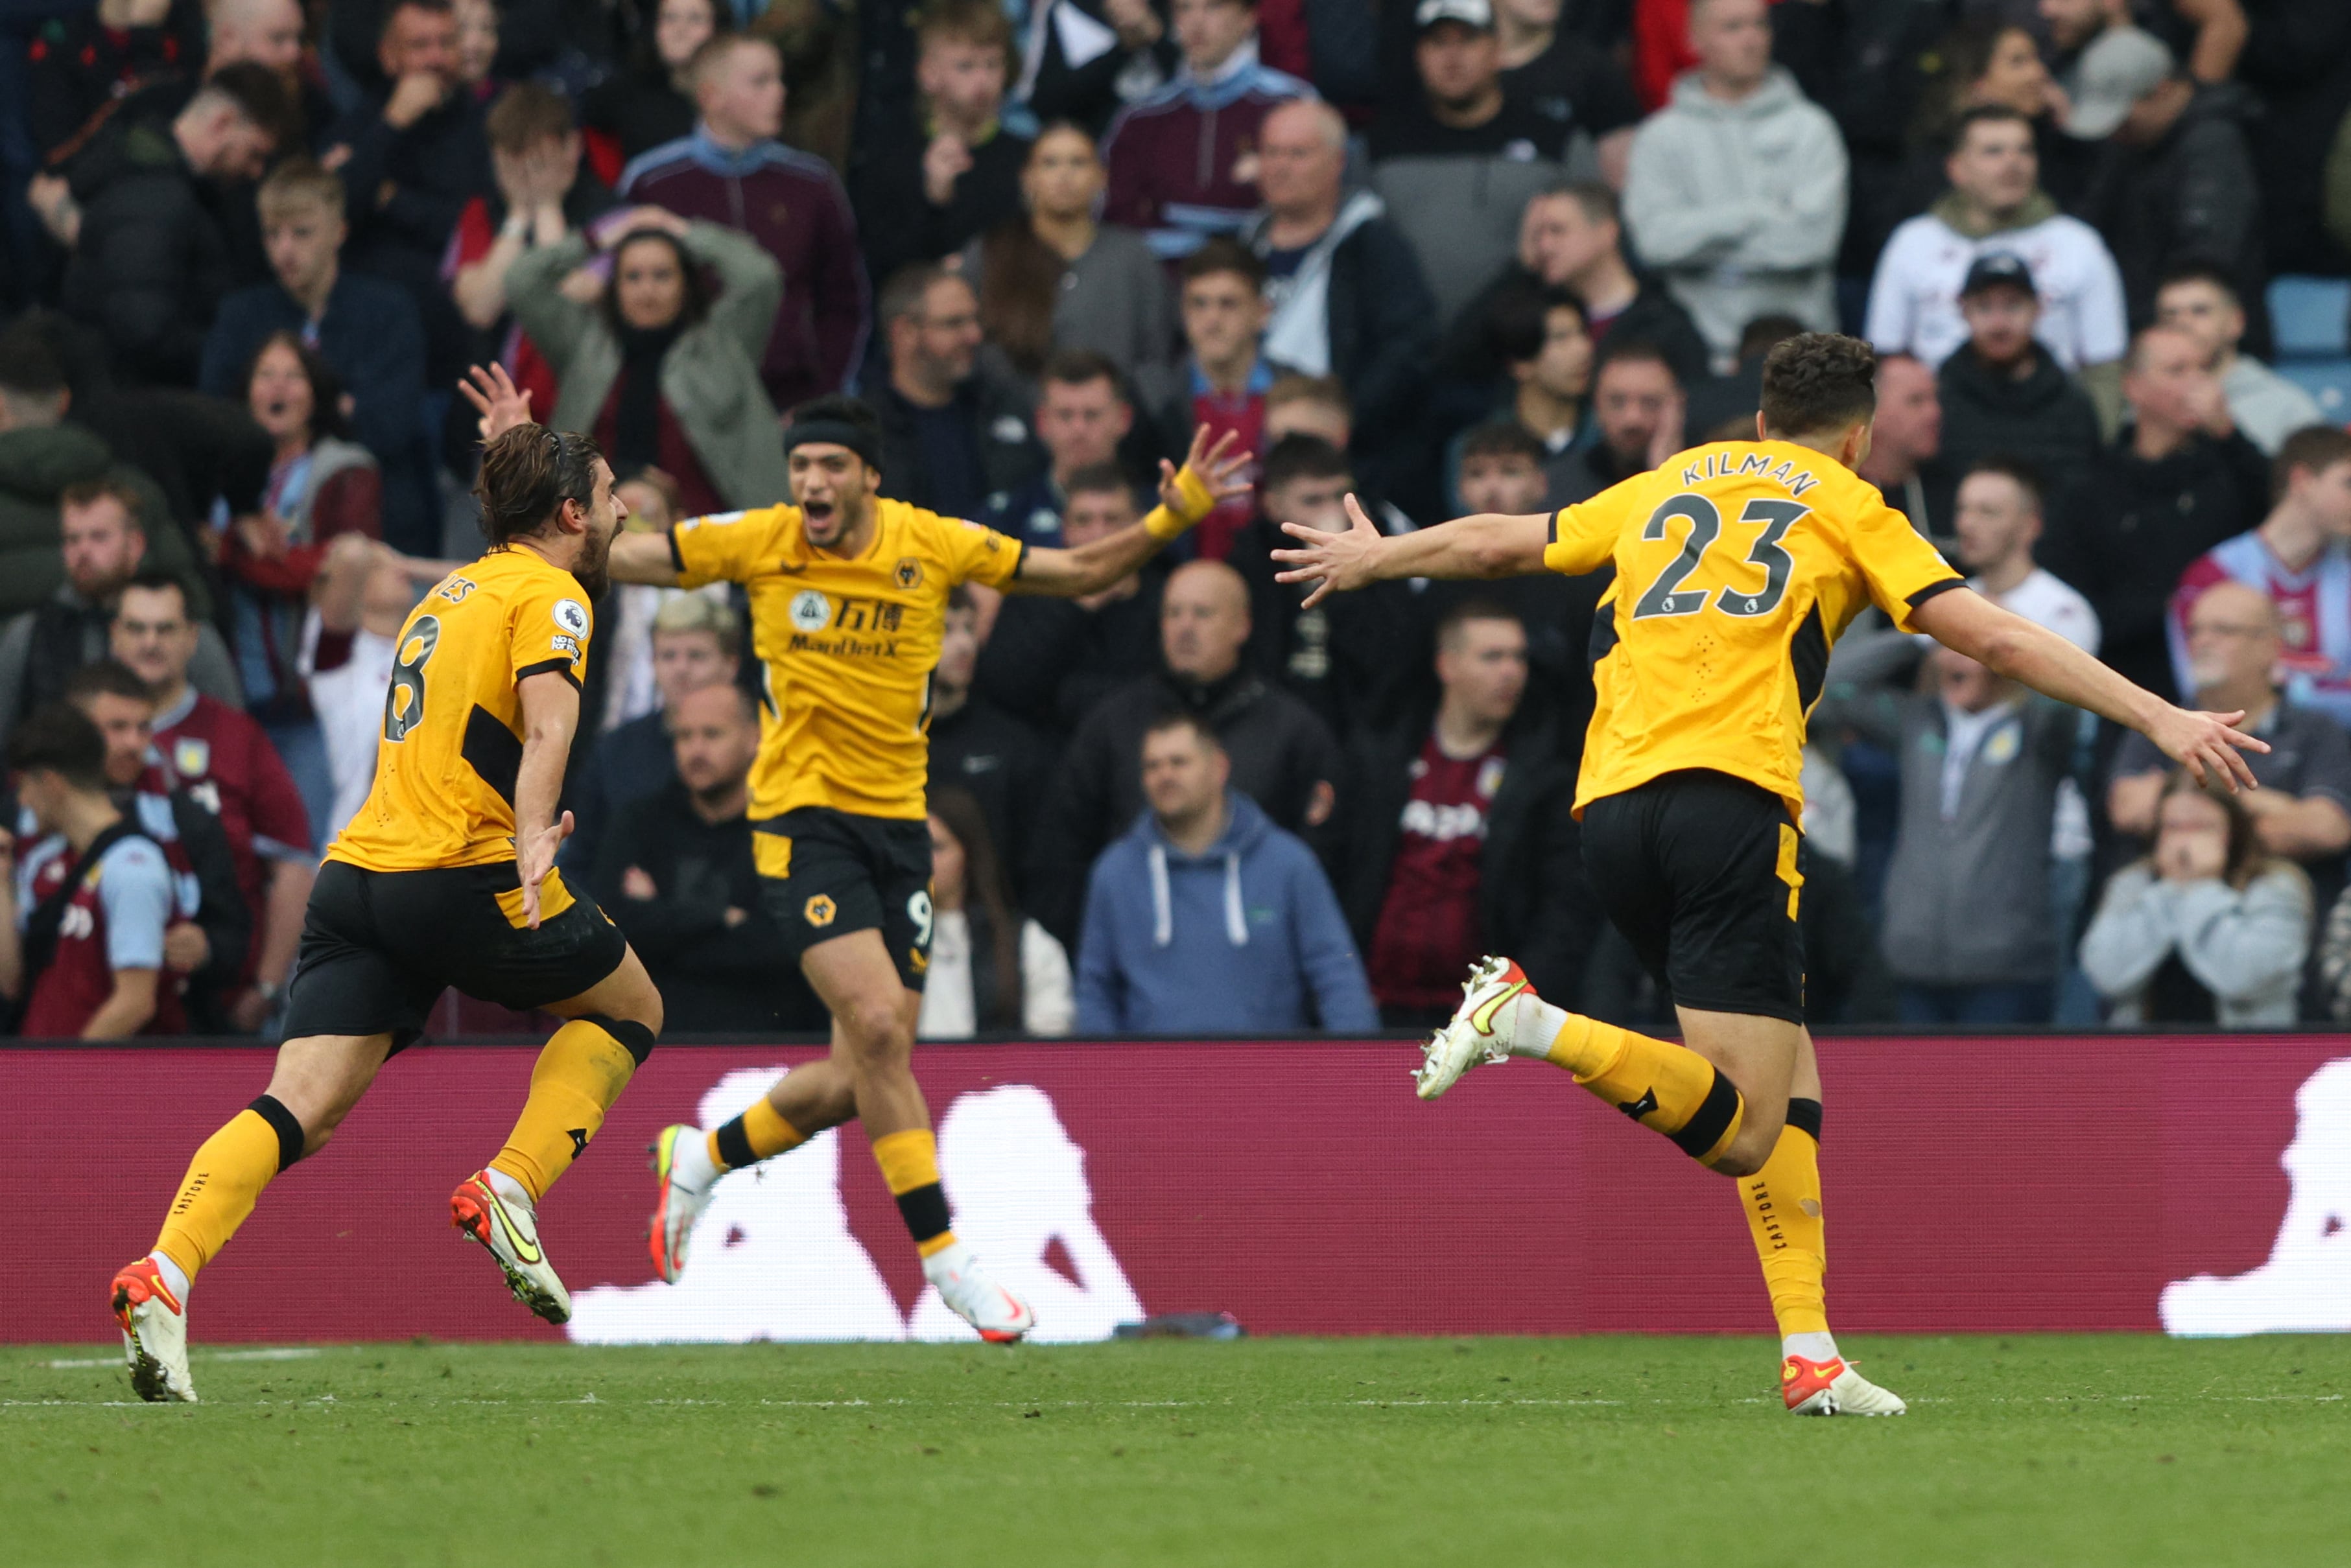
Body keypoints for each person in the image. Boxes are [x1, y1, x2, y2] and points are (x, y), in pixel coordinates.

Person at [1273, 331, 2267, 1416]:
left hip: (1608, 811)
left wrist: (1383, 556)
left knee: (1789, 1082)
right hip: (1730, 808)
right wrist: (2158, 712)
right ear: (1860, 435)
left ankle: (1811, 1350)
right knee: (1746, 1123)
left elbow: (1509, 544)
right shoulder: (1851, 504)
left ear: (1756, 420)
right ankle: (1526, 1020)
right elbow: (1994, 639)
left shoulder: (1667, 481)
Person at [553, 380, 1247, 1337]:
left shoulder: (932, 542)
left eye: (831, 466)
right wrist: (526, 485)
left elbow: (1082, 570)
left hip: (897, 832)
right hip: (800, 823)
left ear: (868, 477)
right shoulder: (759, 539)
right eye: (800, 467)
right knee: (879, 1025)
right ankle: (947, 1259)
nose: (812, 483)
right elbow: (614, 554)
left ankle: (702, 1155)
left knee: (861, 1068)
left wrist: (1177, 512)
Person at [107, 419, 666, 1404]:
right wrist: (536, 829)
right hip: (461, 870)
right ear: (572, 513)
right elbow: (545, 721)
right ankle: (513, 1185)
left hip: (357, 877)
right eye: (613, 495)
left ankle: (166, 1270)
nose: (624, 512)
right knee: (630, 1009)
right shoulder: (553, 593)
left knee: (299, 1109)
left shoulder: (447, 593)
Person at [1038, 556, 1342, 942]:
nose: (1184, 627)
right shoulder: (1113, 724)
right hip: (1137, 945)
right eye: (1173, 614)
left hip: (1260, 947)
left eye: (1202, 613)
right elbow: (1063, 849)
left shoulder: (1294, 730)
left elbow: (1324, 861)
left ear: (1242, 625)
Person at [1337, 601, 1587, 1028]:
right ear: (1446, 665)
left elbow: (1563, 913)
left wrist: (1508, 1011)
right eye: (1492, 657)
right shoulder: (1379, 761)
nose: (1512, 671)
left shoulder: (1545, 780)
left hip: (1484, 1024)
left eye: (1519, 657)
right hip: (1371, 1010)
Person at [1074, 710, 1375, 1035]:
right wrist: (1104, 1076)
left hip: (1269, 1078)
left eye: (1179, 762)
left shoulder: (1288, 863)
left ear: (1219, 767)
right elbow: (1095, 990)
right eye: (1152, 766)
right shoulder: (1115, 872)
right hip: (1151, 1080)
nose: (1165, 775)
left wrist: (1357, 1076)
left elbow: (1337, 977)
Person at [619, 32, 870, 410]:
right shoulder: (652, 182)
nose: (780, 92)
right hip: (684, 404)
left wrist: (823, 396)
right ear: (710, 96)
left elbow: (844, 302)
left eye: (780, 79)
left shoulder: (814, 183)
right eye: (761, 81)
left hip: (794, 400)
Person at [112, 573, 313, 1035]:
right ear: (114, 636)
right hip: (102, 1001)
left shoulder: (237, 736)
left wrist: (265, 990)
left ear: (192, 638)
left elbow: (294, 867)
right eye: (137, 629)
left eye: (165, 629)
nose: (150, 643)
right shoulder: (79, 736)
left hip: (220, 1005)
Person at [197, 159, 428, 550]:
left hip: (374, 515)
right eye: (272, 235)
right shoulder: (242, 314)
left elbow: (393, 424)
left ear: (339, 232)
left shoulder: (388, 311)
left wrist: (287, 418)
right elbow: (216, 416)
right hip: (258, 509)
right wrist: (340, 409)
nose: (284, 249)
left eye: (301, 233)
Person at [2040, 324, 2273, 703]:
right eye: (2177, 371)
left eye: (2203, 370)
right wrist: (2163, 608)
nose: (2197, 383)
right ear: (2134, 387)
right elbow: (2070, 604)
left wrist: (2229, 434)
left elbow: (2277, 513)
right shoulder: (2091, 488)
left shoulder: (2229, 470)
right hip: (2123, 686)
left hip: (2226, 687)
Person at [506, 205, 786, 517]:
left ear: (686, 282)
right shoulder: (584, 342)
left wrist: (681, 230)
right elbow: (523, 281)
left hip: (714, 532)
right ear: (615, 286)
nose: (647, 290)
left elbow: (760, 277)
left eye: (663, 275)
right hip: (598, 534)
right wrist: (597, 239)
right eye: (633, 277)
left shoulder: (722, 339)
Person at [1620, 0, 1845, 368]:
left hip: (1803, 356)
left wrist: (1701, 244)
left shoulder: (1812, 129)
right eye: (1733, 27)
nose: (1752, 39)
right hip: (1698, 350)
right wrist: (1758, 214)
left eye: (1760, 25)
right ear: (1695, 40)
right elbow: (1656, 244)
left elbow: (1812, 243)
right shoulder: (1660, 138)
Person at [217, 332, 383, 831]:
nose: (279, 387)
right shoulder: (216, 466)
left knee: (308, 843)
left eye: (293, 376)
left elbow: (337, 566)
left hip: (309, 703)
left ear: (315, 394)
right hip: (235, 698)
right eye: (266, 375)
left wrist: (231, 552)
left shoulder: (345, 470)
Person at [39, 63, 294, 387]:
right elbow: (142, 328)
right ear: (223, 123)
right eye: (255, 153)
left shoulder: (168, 184)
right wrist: (232, 351)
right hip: (138, 399)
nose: (256, 171)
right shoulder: (158, 198)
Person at [1863, 645, 2076, 1025]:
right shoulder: (1916, 720)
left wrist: (2002, 644)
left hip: (2007, 966)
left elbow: (2070, 688)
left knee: (1997, 1088)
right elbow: (1832, 686)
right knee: (1915, 1087)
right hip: (1911, 962)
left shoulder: (2038, 727)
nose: (1956, 658)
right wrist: (1915, 633)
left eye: (1968, 648)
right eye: (1949, 648)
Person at [593, 681, 821, 1035]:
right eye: (684, 737)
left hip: (767, 1037)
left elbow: (783, 947)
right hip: (654, 1038)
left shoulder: (790, 829)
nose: (695, 750)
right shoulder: (640, 822)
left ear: (754, 738)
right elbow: (609, 930)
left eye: (712, 735)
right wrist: (724, 917)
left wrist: (662, 919)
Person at [54, 658, 252, 1033]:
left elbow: (235, 932)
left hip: (168, 1033)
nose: (134, 743)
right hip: (39, 1036)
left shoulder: (188, 819)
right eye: (117, 728)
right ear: (76, 731)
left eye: (143, 728)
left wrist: (206, 947)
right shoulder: (34, 812)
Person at [1244, 99, 1436, 478]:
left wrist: (1345, 417)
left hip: (1348, 458)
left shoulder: (1374, 246)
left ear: (1338, 162)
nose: (1280, 166)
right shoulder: (1243, 245)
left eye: (1298, 154)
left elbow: (1408, 348)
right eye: (1271, 152)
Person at [1863, 106, 2127, 375]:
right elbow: (1887, 357)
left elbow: (2104, 363)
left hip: (2051, 413)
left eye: (2024, 150)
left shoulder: (2079, 243)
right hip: (1940, 413)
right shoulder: (1913, 242)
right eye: (1994, 151)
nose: (2013, 163)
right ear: (1956, 168)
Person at [2114, 583, 2351, 875]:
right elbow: (2128, 808)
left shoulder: (2319, 732)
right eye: (2194, 631)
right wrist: (2269, 804)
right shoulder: (2160, 718)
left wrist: (2185, 809)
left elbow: (2328, 829)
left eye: (2223, 630)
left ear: (2271, 648)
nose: (2202, 642)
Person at [1369, 0, 1573, 333]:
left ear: (1497, 48)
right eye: (1437, 43)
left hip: (1521, 346)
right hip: (1406, 346)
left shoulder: (1553, 138)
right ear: (1418, 54)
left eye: (1467, 39)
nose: (1452, 57)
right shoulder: (1381, 146)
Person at [319, 0, 493, 386]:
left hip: (456, 331)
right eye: (419, 46)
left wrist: (391, 200)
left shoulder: (485, 126)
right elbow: (332, 212)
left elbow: (467, 227)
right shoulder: (362, 125)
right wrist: (393, 123)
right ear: (388, 57)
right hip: (372, 331)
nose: (435, 58)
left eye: (445, 43)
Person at [0, 480, 237, 753]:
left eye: (99, 537)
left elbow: (234, 740)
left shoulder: (182, 632)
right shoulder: (30, 635)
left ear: (135, 544)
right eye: (72, 539)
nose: (83, 551)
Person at [447, 82, 620, 425]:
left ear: (571, 148)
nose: (524, 177)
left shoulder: (611, 217)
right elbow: (480, 309)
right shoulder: (483, 212)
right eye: (511, 166)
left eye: (537, 163)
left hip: (581, 407)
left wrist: (546, 208)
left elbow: (567, 303)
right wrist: (518, 217)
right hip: (496, 415)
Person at [2081, 771, 2311, 1027]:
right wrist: (2171, 890)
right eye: (2174, 828)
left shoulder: (2276, 886)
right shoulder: (2132, 883)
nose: (2186, 843)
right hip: (2145, 1056)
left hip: (2245, 1058)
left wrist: (2201, 888)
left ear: (2233, 832)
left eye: (2202, 828)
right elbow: (2108, 975)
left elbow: (2248, 977)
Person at [0, 703, 176, 1038]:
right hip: (41, 1072)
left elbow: (135, 1002)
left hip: (96, 1083)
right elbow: (11, 983)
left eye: (24, 786)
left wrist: (64, 1079)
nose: (21, 801)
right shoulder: (47, 863)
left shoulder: (132, 867)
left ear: (50, 783)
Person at [964, 123, 1173, 390]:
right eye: (1050, 163)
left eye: (1078, 163)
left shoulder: (1134, 257)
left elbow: (1157, 356)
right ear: (1028, 178)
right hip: (1009, 420)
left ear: (1101, 178)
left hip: (1116, 421)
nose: (1064, 175)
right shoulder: (990, 252)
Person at [1100, 0, 1312, 261]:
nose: (1196, 22)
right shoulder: (1141, 118)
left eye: (1214, 7)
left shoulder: (1292, 107)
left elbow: (1318, 212)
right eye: (1184, 8)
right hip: (1161, 282)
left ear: (1248, 19)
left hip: (1266, 276)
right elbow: (1118, 218)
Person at [2168, 428, 2351, 731]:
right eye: (2349, 483)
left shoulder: (2344, 572)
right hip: (2242, 750)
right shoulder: (2212, 574)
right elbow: (2201, 686)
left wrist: (2273, 686)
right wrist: (2323, 688)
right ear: (2302, 481)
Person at [1452, 182, 1711, 393]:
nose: (1544, 247)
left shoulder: (1665, 322)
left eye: (1557, 231)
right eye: (1538, 235)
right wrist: (1522, 269)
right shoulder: (1540, 309)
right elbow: (1458, 360)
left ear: (1608, 232)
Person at [975, 466, 1170, 735]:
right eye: (1083, 520)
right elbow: (1004, 686)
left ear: (1140, 525)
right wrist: (1079, 605)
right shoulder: (1029, 593)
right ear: (1065, 529)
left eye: (1112, 519)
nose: (1098, 533)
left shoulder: (1168, 597)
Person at [853, 0, 1035, 287]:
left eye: (993, 64)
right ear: (929, 74)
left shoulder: (1027, 157)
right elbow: (880, 266)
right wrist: (933, 199)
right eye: (966, 66)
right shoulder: (892, 156)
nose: (983, 80)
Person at [564, 590, 742, 878]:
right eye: (668, 656)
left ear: (731, 664)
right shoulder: (616, 751)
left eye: (697, 656)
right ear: (652, 663)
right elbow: (581, 860)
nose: (681, 669)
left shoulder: (758, 745)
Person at [1134, 239, 1281, 560]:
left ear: (1263, 312)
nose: (1211, 320)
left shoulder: (1299, 393)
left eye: (1228, 304)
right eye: (1198, 304)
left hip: (1278, 577)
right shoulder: (1151, 399)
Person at [869, 265, 1044, 522]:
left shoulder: (1001, 407)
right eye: (954, 323)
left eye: (975, 320)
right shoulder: (865, 429)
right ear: (904, 332)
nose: (974, 335)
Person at [1931, 253, 2105, 506]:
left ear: (2038, 308)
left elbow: (2086, 494)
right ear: (1963, 310)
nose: (1999, 323)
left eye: (2013, 305)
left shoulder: (2071, 403)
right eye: (1984, 306)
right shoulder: (1938, 399)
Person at [927, 587, 1052, 902]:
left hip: (993, 932)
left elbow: (1039, 865)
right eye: (945, 630)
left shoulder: (1013, 744)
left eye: (970, 628)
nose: (965, 645)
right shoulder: (883, 743)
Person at [919, 787, 1074, 1038]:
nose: (922, 860)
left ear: (968, 855)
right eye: (914, 848)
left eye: (936, 847)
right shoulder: (886, 942)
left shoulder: (1028, 943)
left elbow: (1051, 1045)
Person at [2154, 265, 2324, 458]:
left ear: (2237, 322)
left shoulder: (2288, 409)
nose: (2183, 323)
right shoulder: (2141, 403)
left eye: (2200, 311)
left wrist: (2226, 432)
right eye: (2170, 314)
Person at [985, 351, 1142, 550]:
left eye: (1092, 415)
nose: (1079, 429)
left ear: (1124, 419)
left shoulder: (1158, 513)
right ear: (1041, 422)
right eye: (1065, 415)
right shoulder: (1004, 519)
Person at [1951, 459, 2100, 655]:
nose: (1965, 524)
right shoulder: (1953, 600)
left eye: (1988, 512)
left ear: (2030, 526)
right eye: (1962, 509)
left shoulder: (2063, 613)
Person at [581, 0, 724, 170]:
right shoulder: (621, 95)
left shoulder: (738, 93)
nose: (681, 30)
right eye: (670, 18)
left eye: (695, 19)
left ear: (718, 29)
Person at [1550, 338, 1682, 506]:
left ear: (1677, 406)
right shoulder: (1557, 488)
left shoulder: (1711, 479)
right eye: (1617, 402)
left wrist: (1665, 472)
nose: (1633, 419)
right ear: (1597, 405)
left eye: (1650, 402)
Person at [1852, 352, 1948, 544]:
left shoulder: (1953, 494)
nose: (1935, 413)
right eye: (1916, 401)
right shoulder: (1832, 494)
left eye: (1935, 399)